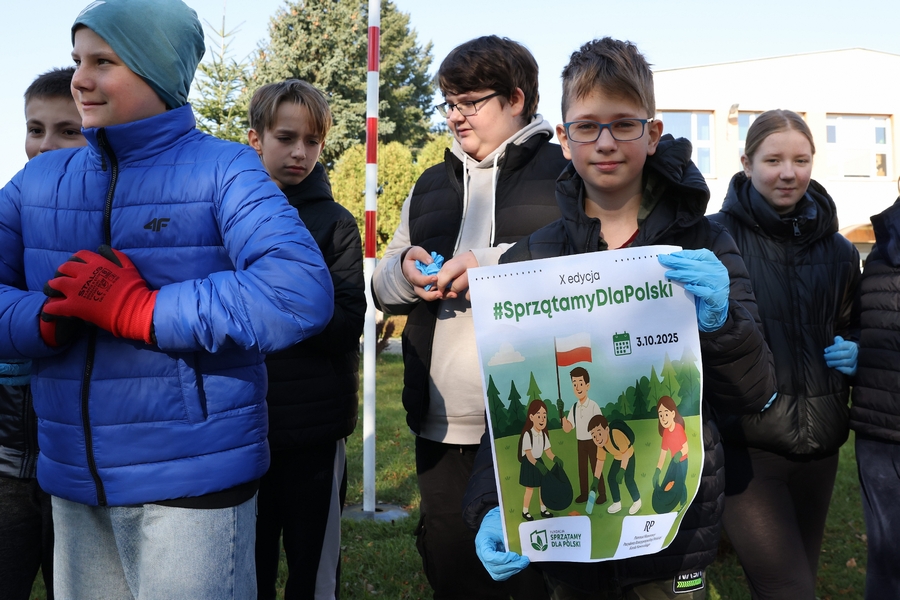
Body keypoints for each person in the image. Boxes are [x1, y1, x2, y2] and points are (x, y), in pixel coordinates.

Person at [0, 1, 334, 598]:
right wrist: (44, 319)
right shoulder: (38, 182)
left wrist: (144, 311)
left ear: (156, 69)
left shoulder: (225, 168)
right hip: (75, 484)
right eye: (78, 60)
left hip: (191, 486)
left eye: (103, 62)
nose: (80, 80)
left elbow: (298, 290)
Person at [463, 37, 776, 599]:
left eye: (624, 124)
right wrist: (493, 503)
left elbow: (754, 392)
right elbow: (502, 415)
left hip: (672, 543)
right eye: (586, 126)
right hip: (569, 552)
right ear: (564, 140)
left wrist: (721, 322)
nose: (605, 142)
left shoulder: (705, 245)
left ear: (652, 134)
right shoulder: (531, 259)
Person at [371, 34, 568, 599]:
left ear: (516, 98)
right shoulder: (430, 184)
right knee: (454, 570)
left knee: (534, 578)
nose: (455, 116)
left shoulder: (566, 175)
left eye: (470, 102)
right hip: (441, 423)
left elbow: (580, 267)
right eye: (449, 103)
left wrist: (488, 267)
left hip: (538, 421)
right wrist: (404, 272)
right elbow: (382, 284)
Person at [709, 109, 860, 600]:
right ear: (746, 163)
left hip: (821, 450)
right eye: (773, 160)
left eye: (801, 160)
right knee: (789, 590)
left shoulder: (840, 251)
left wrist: (857, 347)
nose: (788, 173)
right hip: (747, 449)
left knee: (794, 583)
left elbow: (851, 321)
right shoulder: (714, 241)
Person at [247, 79, 365, 600]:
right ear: (256, 139)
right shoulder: (225, 213)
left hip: (316, 431)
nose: (299, 152)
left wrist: (274, 303)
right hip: (243, 424)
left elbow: (346, 322)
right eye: (286, 137)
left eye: (312, 141)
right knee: (245, 570)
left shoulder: (335, 224)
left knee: (313, 573)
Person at [0, 66, 86, 600]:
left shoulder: (113, 219)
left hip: (75, 466)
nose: (46, 145)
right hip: (6, 461)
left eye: (67, 130)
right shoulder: (10, 210)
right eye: (35, 129)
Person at [851, 187, 900, 600]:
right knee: (887, 565)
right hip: (880, 436)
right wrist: (855, 349)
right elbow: (860, 322)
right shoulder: (882, 250)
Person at [561, 366, 604, 504]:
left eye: (580, 383)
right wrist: (561, 414)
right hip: (580, 442)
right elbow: (568, 428)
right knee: (582, 469)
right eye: (574, 384)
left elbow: (601, 425)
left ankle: (602, 494)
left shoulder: (593, 406)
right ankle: (584, 494)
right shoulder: (574, 408)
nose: (578, 387)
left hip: (594, 442)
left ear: (587, 385)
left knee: (596, 467)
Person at [587, 415, 640, 515]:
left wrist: (622, 470)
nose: (597, 438)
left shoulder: (616, 434)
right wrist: (595, 480)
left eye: (599, 433)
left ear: (607, 430)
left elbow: (625, 453)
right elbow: (600, 461)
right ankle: (617, 502)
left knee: (628, 479)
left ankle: (637, 501)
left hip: (628, 455)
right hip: (618, 458)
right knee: (611, 478)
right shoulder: (601, 445)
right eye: (594, 436)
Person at [519, 400, 557, 521]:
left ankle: (543, 509)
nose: (542, 419)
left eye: (544, 416)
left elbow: (548, 452)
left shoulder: (543, 435)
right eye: (539, 416)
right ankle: (525, 511)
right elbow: (529, 455)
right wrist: (539, 466)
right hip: (529, 463)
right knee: (530, 488)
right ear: (531, 417)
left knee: (543, 487)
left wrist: (556, 459)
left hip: (539, 461)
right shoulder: (528, 434)